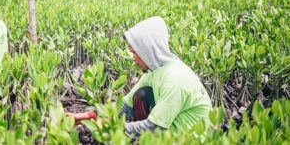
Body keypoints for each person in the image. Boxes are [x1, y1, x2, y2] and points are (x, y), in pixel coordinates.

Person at [70, 16, 212, 138]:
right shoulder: (155, 70)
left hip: (192, 140)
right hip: (171, 133)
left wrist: (110, 128)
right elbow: (125, 107)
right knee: (141, 94)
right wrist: (88, 117)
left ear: (148, 51)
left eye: (135, 52)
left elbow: (154, 127)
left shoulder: (175, 79)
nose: (132, 58)